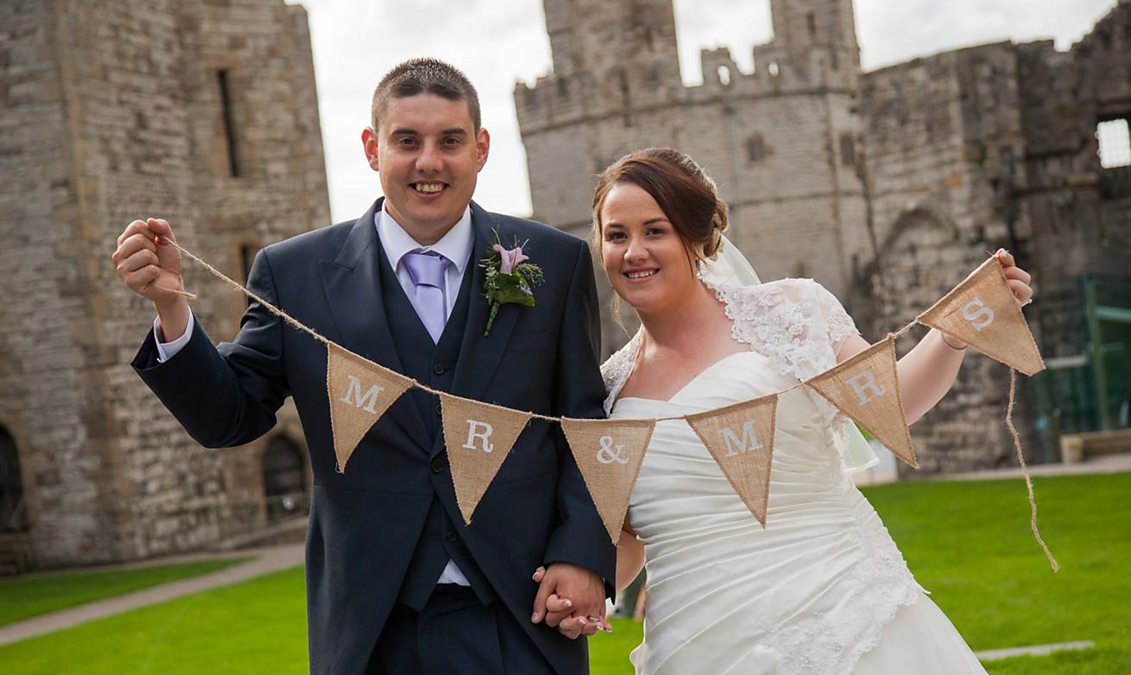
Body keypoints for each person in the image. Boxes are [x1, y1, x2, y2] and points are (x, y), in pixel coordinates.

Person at [111, 59, 613, 674]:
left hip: (523, 615)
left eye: (450, 141)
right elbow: (229, 418)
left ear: (480, 149)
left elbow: (584, 424)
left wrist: (582, 553)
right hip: (371, 630)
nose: (428, 161)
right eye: (407, 141)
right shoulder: (293, 274)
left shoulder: (554, 263)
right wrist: (171, 310)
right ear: (373, 148)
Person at [590, 148, 1032, 673]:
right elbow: (629, 540)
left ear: (697, 236)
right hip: (694, 641)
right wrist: (581, 586)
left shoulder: (790, 311)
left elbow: (893, 404)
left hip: (843, 611)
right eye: (616, 235)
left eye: (655, 231)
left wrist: (954, 332)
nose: (634, 251)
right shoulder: (606, 391)